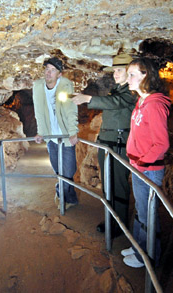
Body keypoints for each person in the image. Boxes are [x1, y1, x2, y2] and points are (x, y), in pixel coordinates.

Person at [71, 53, 136, 236]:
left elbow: (115, 103)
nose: (115, 74)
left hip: (119, 144)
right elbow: (112, 101)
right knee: (108, 184)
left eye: (119, 70)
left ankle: (120, 224)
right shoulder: (116, 90)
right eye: (114, 70)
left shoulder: (130, 92)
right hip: (107, 143)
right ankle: (111, 218)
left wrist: (88, 99)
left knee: (119, 186)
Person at [121, 57, 171, 268]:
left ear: (145, 76)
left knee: (147, 214)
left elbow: (161, 143)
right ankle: (139, 247)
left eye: (132, 74)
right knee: (141, 211)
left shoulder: (155, 105)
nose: (128, 78)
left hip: (148, 170)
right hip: (139, 166)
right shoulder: (141, 101)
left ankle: (149, 257)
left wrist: (141, 163)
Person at [33, 57, 79, 209]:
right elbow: (39, 112)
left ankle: (61, 194)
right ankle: (70, 199)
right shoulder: (38, 86)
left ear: (59, 74)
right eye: (47, 69)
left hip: (65, 135)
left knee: (69, 168)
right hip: (51, 136)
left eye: (53, 70)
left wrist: (73, 132)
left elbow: (70, 109)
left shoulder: (65, 85)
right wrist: (41, 132)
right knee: (57, 168)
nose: (48, 73)